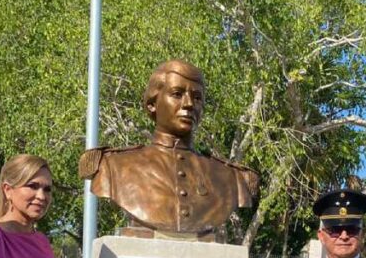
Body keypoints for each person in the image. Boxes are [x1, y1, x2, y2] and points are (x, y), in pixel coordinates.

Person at [80, 59, 258, 239]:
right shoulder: (112, 165)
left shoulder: (232, 177)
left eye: (197, 97)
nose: (189, 104)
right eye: (177, 94)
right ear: (152, 104)